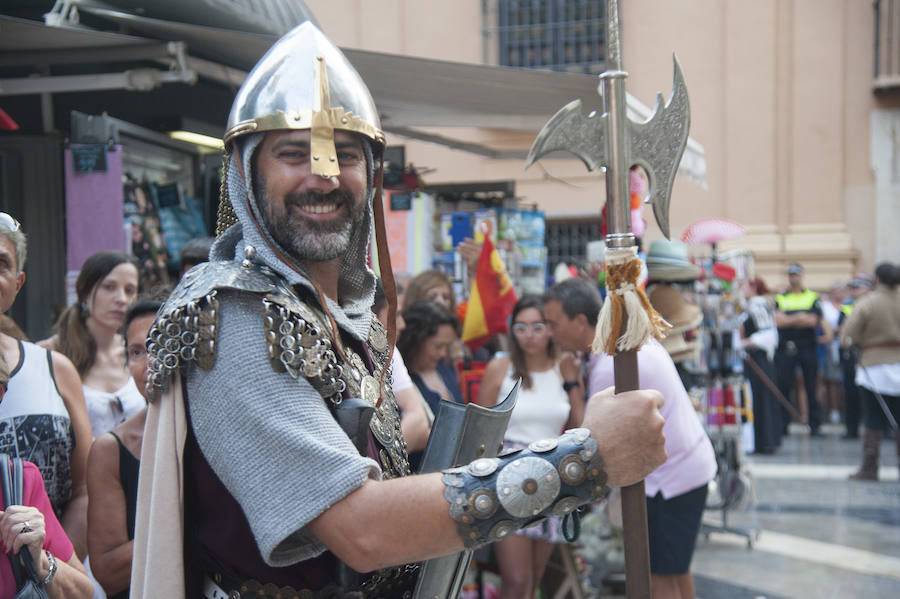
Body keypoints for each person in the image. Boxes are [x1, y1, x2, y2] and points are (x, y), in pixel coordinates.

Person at [130, 22, 666, 598]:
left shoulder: (350, 315)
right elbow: (361, 530)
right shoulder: (233, 313)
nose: (325, 175)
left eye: (347, 155)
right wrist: (585, 459)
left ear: (373, 174)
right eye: (293, 153)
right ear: (244, 172)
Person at [544, 278, 716, 599]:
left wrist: (571, 385)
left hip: (670, 480)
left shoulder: (613, 366)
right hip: (686, 468)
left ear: (581, 322)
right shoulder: (624, 341)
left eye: (554, 324)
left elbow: (594, 439)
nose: (550, 333)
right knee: (676, 568)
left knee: (660, 576)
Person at [476, 296, 585, 599]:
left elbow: (580, 425)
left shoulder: (564, 367)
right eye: (521, 327)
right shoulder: (500, 367)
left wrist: (573, 381)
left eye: (538, 326)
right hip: (507, 476)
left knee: (533, 578)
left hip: (552, 473)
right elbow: (480, 428)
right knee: (516, 579)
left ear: (550, 329)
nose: (530, 335)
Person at [0, 213, 93, 560]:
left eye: (1, 263)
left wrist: (53, 569)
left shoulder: (55, 369)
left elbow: (84, 489)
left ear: (18, 282)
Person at [86, 300, 160, 599]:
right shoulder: (111, 451)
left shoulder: (221, 433)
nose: (149, 361)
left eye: (159, 342)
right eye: (136, 351)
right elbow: (109, 572)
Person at [40, 251, 145, 439]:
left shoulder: (138, 352)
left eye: (130, 290)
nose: (121, 298)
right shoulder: (48, 353)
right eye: (109, 287)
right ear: (85, 293)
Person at [840, 263, 900, 481]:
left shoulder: (868, 303)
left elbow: (849, 335)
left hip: (874, 366)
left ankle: (869, 468)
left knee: (873, 419)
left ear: (877, 279)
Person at [372, 281, 431, 454]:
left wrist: (383, 467)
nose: (403, 324)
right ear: (371, 316)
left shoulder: (389, 350)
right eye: (395, 315)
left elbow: (417, 418)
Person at [774, 263, 824, 435]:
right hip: (786, 347)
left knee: (811, 385)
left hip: (807, 347)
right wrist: (800, 317)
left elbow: (813, 321)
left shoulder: (812, 296)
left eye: (796, 274)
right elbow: (777, 321)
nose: (793, 277)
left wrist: (789, 319)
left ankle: (815, 425)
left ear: (801, 276)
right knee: (784, 385)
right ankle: (783, 424)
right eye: (791, 275)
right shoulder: (781, 297)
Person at [397, 300, 465, 414]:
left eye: (446, 346)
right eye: (438, 346)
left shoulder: (445, 369)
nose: (443, 353)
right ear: (418, 340)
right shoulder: (402, 381)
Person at [740, 277, 782, 454]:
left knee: (761, 398)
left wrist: (745, 343)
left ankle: (765, 442)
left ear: (753, 287)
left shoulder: (758, 304)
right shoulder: (750, 305)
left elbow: (769, 335)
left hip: (758, 360)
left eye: (743, 285)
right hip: (754, 360)